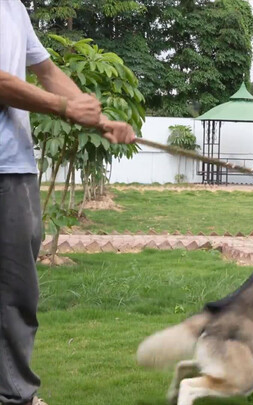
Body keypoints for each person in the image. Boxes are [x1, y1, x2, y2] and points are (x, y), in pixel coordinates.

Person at [0, 1, 135, 404]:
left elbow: (48, 71)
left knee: (17, 293)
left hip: (15, 167)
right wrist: (63, 107)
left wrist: (98, 118)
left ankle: (13, 396)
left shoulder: (14, 9)